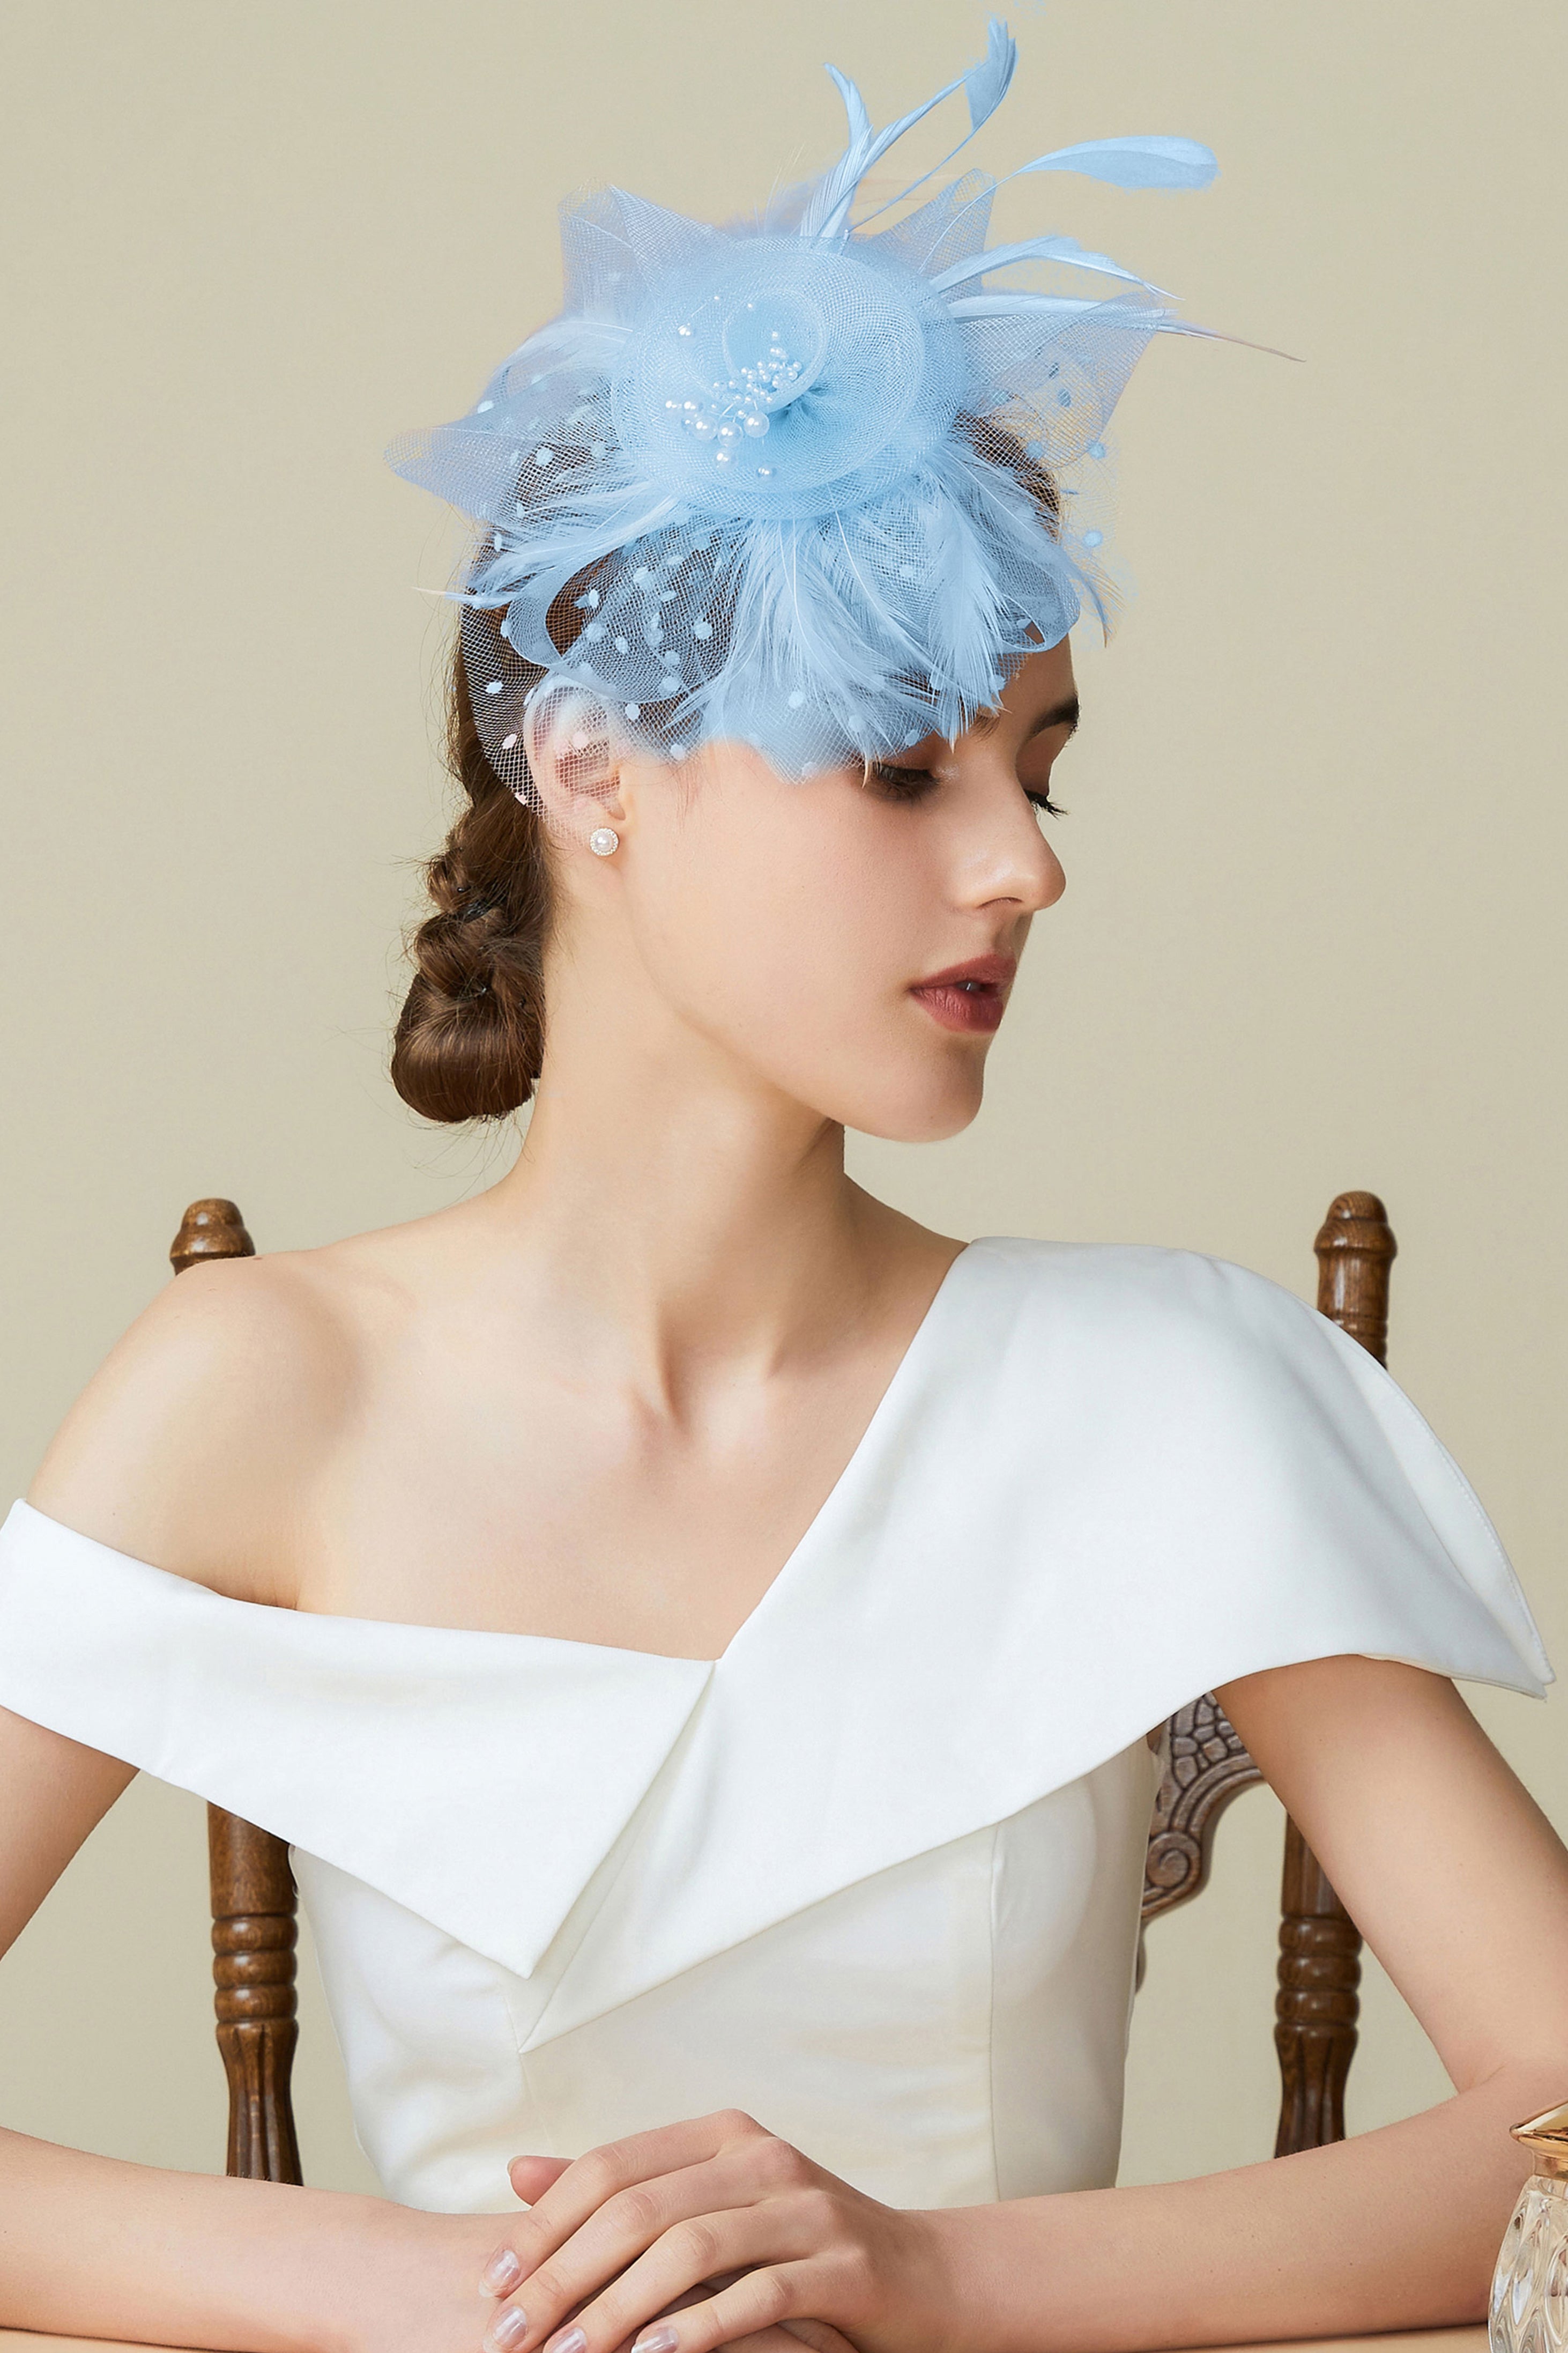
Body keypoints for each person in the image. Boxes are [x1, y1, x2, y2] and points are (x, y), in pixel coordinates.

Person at [1, 23, 1564, 2353]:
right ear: (590, 769)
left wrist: (929, 2272)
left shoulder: (1159, 1387)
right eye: (905, 765)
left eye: (1038, 768)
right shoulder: (264, 1385)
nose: (1024, 864)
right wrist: (474, 2293)